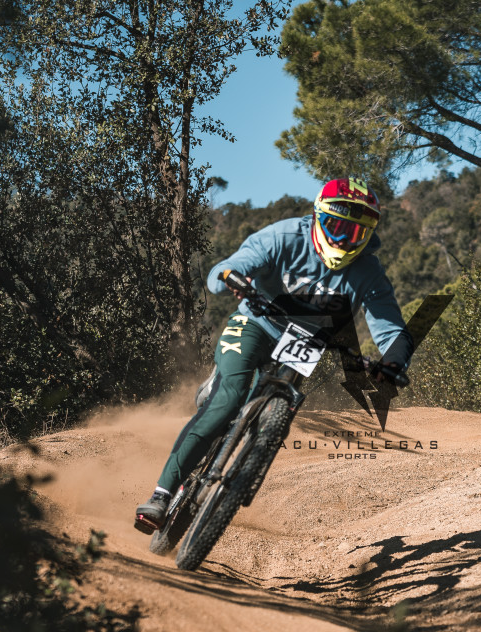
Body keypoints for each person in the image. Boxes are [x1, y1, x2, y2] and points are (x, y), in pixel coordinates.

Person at [134, 176, 414, 533]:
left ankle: (250, 455)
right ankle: (161, 495)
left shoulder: (368, 271)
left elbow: (391, 328)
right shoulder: (283, 237)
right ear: (316, 217)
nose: (343, 240)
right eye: (336, 227)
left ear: (368, 235)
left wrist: (393, 362)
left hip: (307, 341)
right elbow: (229, 267)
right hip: (255, 324)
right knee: (230, 397)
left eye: (355, 233)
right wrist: (230, 278)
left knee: (276, 413)